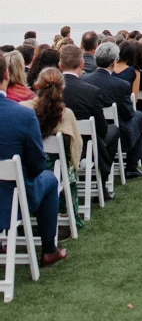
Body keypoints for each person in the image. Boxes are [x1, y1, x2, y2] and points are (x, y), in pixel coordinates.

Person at [0, 52, 67, 266]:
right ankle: (49, 249)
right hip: (10, 202)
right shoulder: (23, 114)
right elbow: (38, 165)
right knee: (49, 179)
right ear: (6, 74)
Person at [21, 67, 84, 229]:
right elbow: (76, 146)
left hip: (24, 171)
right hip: (55, 171)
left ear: (36, 86)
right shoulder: (66, 115)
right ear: (62, 88)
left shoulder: (23, 109)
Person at [59, 44, 119, 201]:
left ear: (60, 65)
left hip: (53, 146)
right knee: (113, 130)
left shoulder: (45, 90)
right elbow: (102, 129)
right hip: (84, 147)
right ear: (82, 64)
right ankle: (102, 181)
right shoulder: (91, 91)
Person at [82, 42, 142, 179]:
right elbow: (128, 113)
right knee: (139, 116)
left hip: (89, 129)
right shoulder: (122, 85)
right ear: (113, 62)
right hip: (117, 130)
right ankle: (131, 165)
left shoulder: (83, 80)